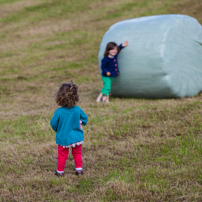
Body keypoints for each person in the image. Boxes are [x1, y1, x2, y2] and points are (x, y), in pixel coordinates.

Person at [50, 81, 88, 177]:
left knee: (62, 155)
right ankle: (79, 170)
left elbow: (53, 123)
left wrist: (58, 129)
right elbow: (85, 119)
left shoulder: (59, 112)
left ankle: (60, 172)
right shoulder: (78, 109)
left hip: (63, 138)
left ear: (60, 97)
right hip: (76, 137)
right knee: (77, 153)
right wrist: (81, 122)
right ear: (75, 97)